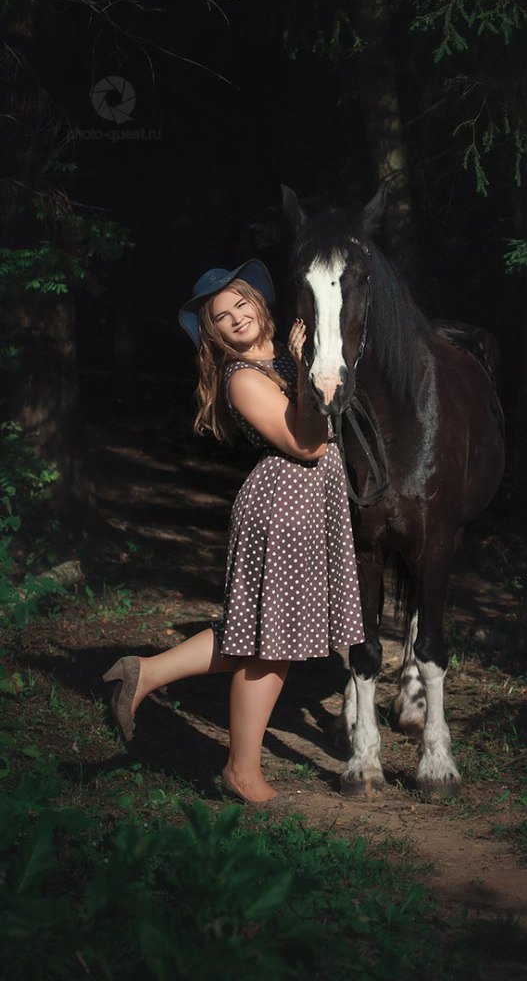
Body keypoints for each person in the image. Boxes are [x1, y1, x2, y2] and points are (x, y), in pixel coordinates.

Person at [103, 259, 365, 804]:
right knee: (272, 644)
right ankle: (241, 770)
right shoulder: (244, 378)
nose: (236, 318)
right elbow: (307, 446)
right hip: (285, 505)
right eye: (221, 317)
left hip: (309, 502)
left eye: (241, 304)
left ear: (259, 303)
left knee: (263, 633)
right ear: (214, 335)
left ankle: (146, 671)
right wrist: (306, 368)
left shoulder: (281, 357)